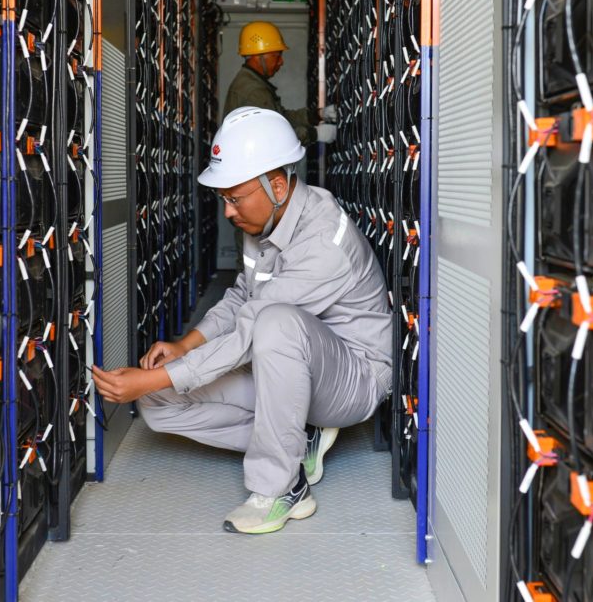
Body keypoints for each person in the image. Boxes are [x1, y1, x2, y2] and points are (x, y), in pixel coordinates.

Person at [91, 107, 391, 534]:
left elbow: (255, 324)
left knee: (274, 324)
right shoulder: (266, 221)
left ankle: (282, 488)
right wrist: (186, 345)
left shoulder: (324, 241)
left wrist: (159, 376)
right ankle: (299, 439)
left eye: (235, 198)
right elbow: (241, 295)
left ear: (279, 186)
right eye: (224, 199)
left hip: (352, 379)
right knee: (157, 405)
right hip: (290, 366)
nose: (229, 211)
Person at [224, 21, 337, 145]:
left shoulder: (250, 82)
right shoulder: (253, 90)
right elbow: (274, 135)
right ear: (258, 57)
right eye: (277, 56)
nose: (281, 62)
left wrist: (317, 115)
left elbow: (280, 118)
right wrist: (314, 134)